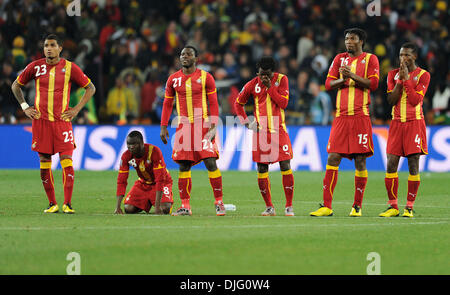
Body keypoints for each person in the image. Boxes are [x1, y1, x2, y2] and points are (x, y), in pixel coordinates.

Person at [11, 34, 96, 213]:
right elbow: (15, 86)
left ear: (60, 48)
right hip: (41, 122)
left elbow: (91, 88)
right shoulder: (35, 67)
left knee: (67, 161)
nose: (48, 48)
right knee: (44, 162)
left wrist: (77, 109)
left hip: (62, 122)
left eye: (52, 45)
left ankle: (67, 204)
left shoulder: (70, 67)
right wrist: (25, 107)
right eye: (46, 46)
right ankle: (52, 204)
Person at [309, 28, 379, 217]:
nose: (348, 42)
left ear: (361, 41)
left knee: (360, 160)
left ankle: (357, 206)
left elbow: (373, 84)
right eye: (347, 38)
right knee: (332, 157)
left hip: (360, 117)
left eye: (353, 39)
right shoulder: (339, 58)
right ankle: (326, 206)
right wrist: (343, 79)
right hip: (340, 117)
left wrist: (352, 76)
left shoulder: (370, 59)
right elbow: (328, 84)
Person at [160, 45, 225, 216]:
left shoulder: (206, 77)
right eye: (182, 54)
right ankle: (185, 206)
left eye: (189, 54)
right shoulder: (173, 79)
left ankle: (219, 202)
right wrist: (163, 126)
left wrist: (213, 124)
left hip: (203, 124)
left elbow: (214, 102)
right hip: (183, 127)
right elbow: (167, 104)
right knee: (184, 164)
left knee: (210, 161)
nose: (185, 56)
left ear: (196, 59)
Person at [234, 56, 295, 216]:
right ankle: (269, 207)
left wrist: (270, 87)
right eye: (261, 74)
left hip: (279, 130)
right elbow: (238, 103)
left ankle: (289, 206)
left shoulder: (282, 80)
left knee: (285, 165)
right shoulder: (252, 84)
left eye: (267, 75)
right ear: (257, 72)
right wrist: (246, 122)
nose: (264, 78)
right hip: (261, 133)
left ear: (273, 73)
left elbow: (283, 103)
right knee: (262, 168)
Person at [379, 43, 431, 218]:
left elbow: (416, 100)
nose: (403, 58)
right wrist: (400, 81)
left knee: (413, 164)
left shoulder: (424, 75)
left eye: (407, 55)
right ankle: (393, 206)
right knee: (391, 162)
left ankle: (409, 207)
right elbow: (391, 101)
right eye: (401, 55)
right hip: (396, 124)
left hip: (414, 123)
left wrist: (407, 79)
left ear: (415, 56)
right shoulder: (392, 75)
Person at [115, 131, 173, 215]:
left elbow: (160, 179)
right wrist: (117, 207)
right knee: (128, 209)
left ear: (142, 143)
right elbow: (121, 181)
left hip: (162, 182)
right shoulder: (126, 156)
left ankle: (156, 202)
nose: (131, 147)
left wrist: (157, 207)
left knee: (164, 208)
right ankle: (148, 201)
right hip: (143, 183)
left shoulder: (154, 151)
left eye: (134, 144)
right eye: (128, 144)